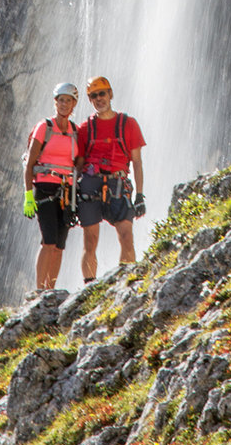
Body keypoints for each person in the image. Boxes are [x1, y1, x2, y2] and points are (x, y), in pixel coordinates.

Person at [76, 76, 146, 283]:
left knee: (126, 236)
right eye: (94, 96)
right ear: (90, 100)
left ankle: (127, 284)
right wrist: (71, 197)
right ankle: (89, 287)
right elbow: (78, 165)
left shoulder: (129, 124)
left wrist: (140, 195)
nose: (99, 99)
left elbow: (137, 162)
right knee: (90, 240)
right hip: (90, 183)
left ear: (110, 94)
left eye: (102, 94)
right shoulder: (84, 129)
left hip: (118, 183)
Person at [23, 82, 79, 291]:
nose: (64, 104)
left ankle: (51, 290)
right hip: (45, 188)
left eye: (69, 101)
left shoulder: (75, 131)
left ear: (74, 105)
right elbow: (29, 164)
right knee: (48, 240)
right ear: (55, 102)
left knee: (59, 245)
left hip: (67, 192)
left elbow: (79, 160)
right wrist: (28, 196)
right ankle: (39, 291)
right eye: (61, 100)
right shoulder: (44, 127)